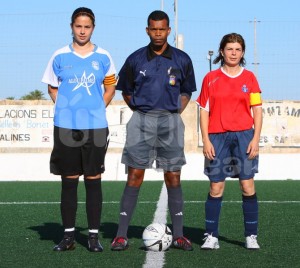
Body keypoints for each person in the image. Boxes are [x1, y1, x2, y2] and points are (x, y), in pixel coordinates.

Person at [110, 10, 197, 251]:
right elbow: (125, 90)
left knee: (173, 175)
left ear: (169, 30)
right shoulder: (136, 59)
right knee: (135, 175)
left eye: (162, 29)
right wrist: (141, 111)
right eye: (153, 29)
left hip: (170, 121)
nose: (158, 33)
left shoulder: (182, 59)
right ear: (147, 30)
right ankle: (121, 235)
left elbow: (187, 90)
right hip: (142, 121)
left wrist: (174, 111)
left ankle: (179, 235)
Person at [42, 7, 117, 252]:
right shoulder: (59, 56)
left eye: (87, 26)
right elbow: (53, 88)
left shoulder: (104, 56)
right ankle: (68, 237)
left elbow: (110, 88)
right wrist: (66, 109)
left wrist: (96, 108)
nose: (82, 31)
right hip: (66, 127)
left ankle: (93, 237)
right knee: (69, 180)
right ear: (71, 26)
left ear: (93, 28)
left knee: (93, 179)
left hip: (95, 126)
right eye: (78, 26)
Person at [196, 33, 263, 250]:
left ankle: (251, 236)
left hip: (244, 136)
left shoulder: (250, 78)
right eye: (229, 49)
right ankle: (211, 236)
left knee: (247, 185)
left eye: (237, 49)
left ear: (242, 53)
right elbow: (204, 111)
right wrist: (205, 140)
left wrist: (255, 138)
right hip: (217, 137)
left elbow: (257, 110)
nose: (233, 53)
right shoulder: (210, 78)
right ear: (222, 51)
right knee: (216, 187)